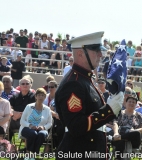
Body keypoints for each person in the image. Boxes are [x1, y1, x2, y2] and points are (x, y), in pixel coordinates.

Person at [55, 31, 124, 160]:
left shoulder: (85, 80)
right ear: (80, 53)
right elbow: (77, 126)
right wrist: (108, 111)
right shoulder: (73, 83)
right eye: (95, 51)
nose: (100, 54)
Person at [19, 88, 52, 154]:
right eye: (39, 95)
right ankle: (30, 152)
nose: (40, 97)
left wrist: (43, 127)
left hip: (41, 129)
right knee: (33, 133)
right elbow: (22, 121)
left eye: (42, 95)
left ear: (45, 97)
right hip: (27, 128)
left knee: (41, 134)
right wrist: (30, 125)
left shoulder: (47, 109)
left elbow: (50, 123)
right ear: (35, 96)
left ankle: (33, 152)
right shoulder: (29, 106)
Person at [112, 95, 142, 160]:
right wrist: (116, 133)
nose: (131, 103)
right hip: (119, 135)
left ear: (136, 104)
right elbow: (115, 123)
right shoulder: (120, 113)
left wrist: (133, 131)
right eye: (130, 101)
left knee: (136, 133)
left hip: (133, 138)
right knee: (121, 136)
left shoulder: (139, 115)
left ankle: (121, 137)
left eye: (133, 102)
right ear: (125, 103)